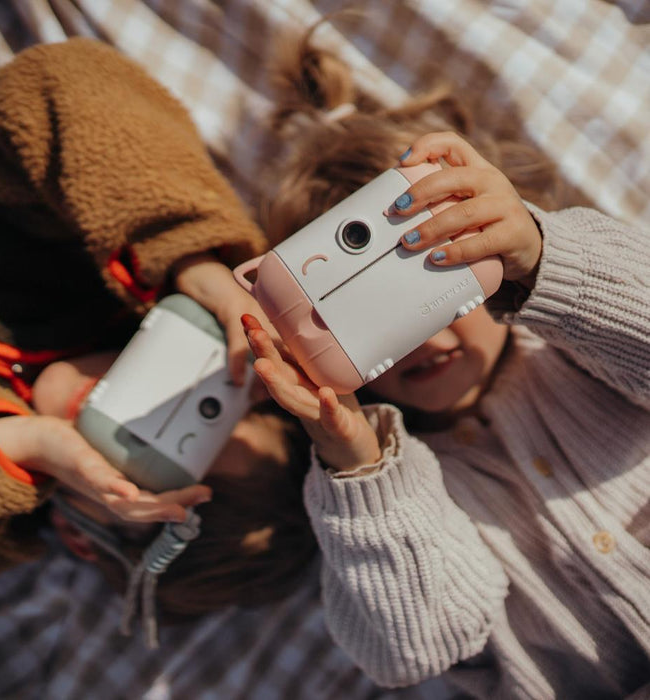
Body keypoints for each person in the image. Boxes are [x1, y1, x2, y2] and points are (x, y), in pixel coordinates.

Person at [241, 26, 650, 699]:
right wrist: (359, 466)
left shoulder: (585, 342)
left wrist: (545, 259)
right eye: (368, 314)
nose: (427, 341)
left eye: (431, 291)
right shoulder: (390, 491)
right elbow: (413, 650)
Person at [0, 36, 318, 621]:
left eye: (158, 470)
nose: (147, 419)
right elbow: (60, 79)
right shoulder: (79, 264)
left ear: (82, 535)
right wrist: (187, 254)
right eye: (209, 410)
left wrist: (24, 447)